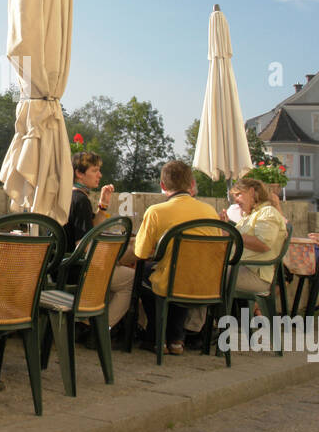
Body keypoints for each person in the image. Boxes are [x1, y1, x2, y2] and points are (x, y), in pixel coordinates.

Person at [134, 160, 220, 355]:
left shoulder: (156, 212)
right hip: (208, 284)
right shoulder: (210, 212)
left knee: (147, 275)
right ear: (191, 185)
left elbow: (141, 253)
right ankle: (176, 339)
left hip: (173, 283)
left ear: (163, 186)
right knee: (179, 270)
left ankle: (156, 338)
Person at [62, 151, 136, 330]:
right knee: (132, 279)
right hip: (77, 270)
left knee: (118, 275)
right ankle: (97, 330)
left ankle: (89, 321)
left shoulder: (71, 196)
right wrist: (111, 258)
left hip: (64, 266)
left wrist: (103, 205)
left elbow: (89, 230)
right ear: (79, 173)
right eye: (95, 170)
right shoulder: (80, 200)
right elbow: (83, 245)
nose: (100, 175)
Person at [226, 177, 287, 305]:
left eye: (239, 194)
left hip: (255, 275)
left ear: (252, 192)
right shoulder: (249, 216)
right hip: (240, 268)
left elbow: (263, 244)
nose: (236, 200)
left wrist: (232, 234)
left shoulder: (267, 213)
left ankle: (193, 324)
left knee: (208, 275)